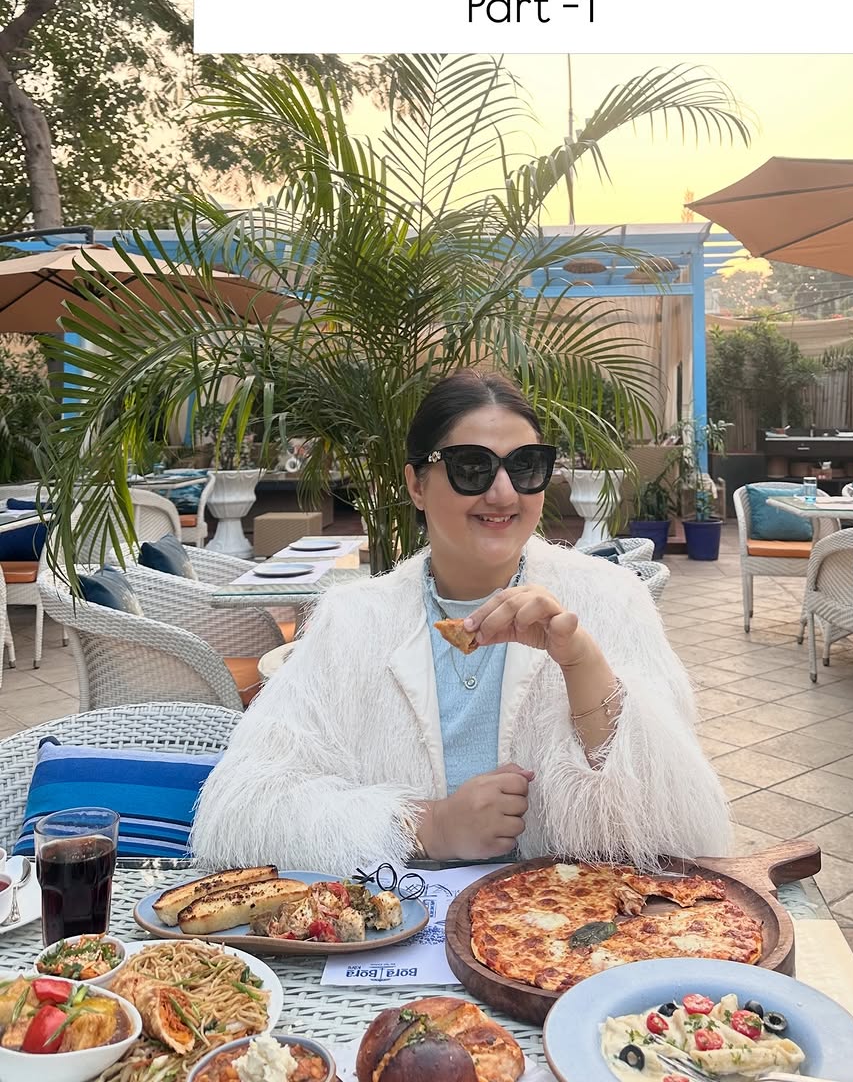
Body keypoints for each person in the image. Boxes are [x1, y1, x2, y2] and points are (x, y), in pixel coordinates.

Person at [191, 371, 732, 873]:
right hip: (400, 927)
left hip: (562, 927)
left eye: (526, 466)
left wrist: (582, 664)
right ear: (416, 485)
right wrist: (426, 825)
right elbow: (237, 809)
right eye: (471, 467)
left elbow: (688, 827)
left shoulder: (610, 598)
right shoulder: (354, 621)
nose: (503, 493)